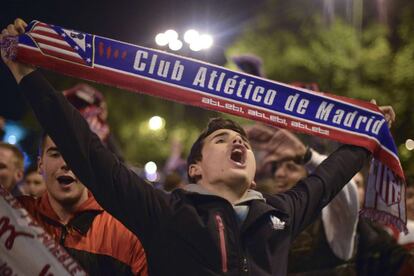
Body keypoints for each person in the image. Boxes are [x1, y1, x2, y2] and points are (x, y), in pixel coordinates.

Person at [1, 19, 394, 275]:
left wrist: (371, 133)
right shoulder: (164, 212)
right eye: (221, 140)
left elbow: (329, 178)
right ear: (195, 169)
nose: (237, 140)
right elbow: (86, 149)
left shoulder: (280, 215)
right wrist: (26, 74)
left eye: (241, 140)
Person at [17, 134, 148, 275]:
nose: (65, 163)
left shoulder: (125, 232)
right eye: (55, 154)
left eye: (75, 154)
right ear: (40, 165)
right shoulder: (18, 214)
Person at [247, 124, 360, 275]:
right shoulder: (270, 217)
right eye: (276, 167)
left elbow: (344, 186)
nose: (279, 174)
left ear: (310, 175)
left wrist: (306, 155)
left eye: (291, 167)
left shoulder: (331, 221)